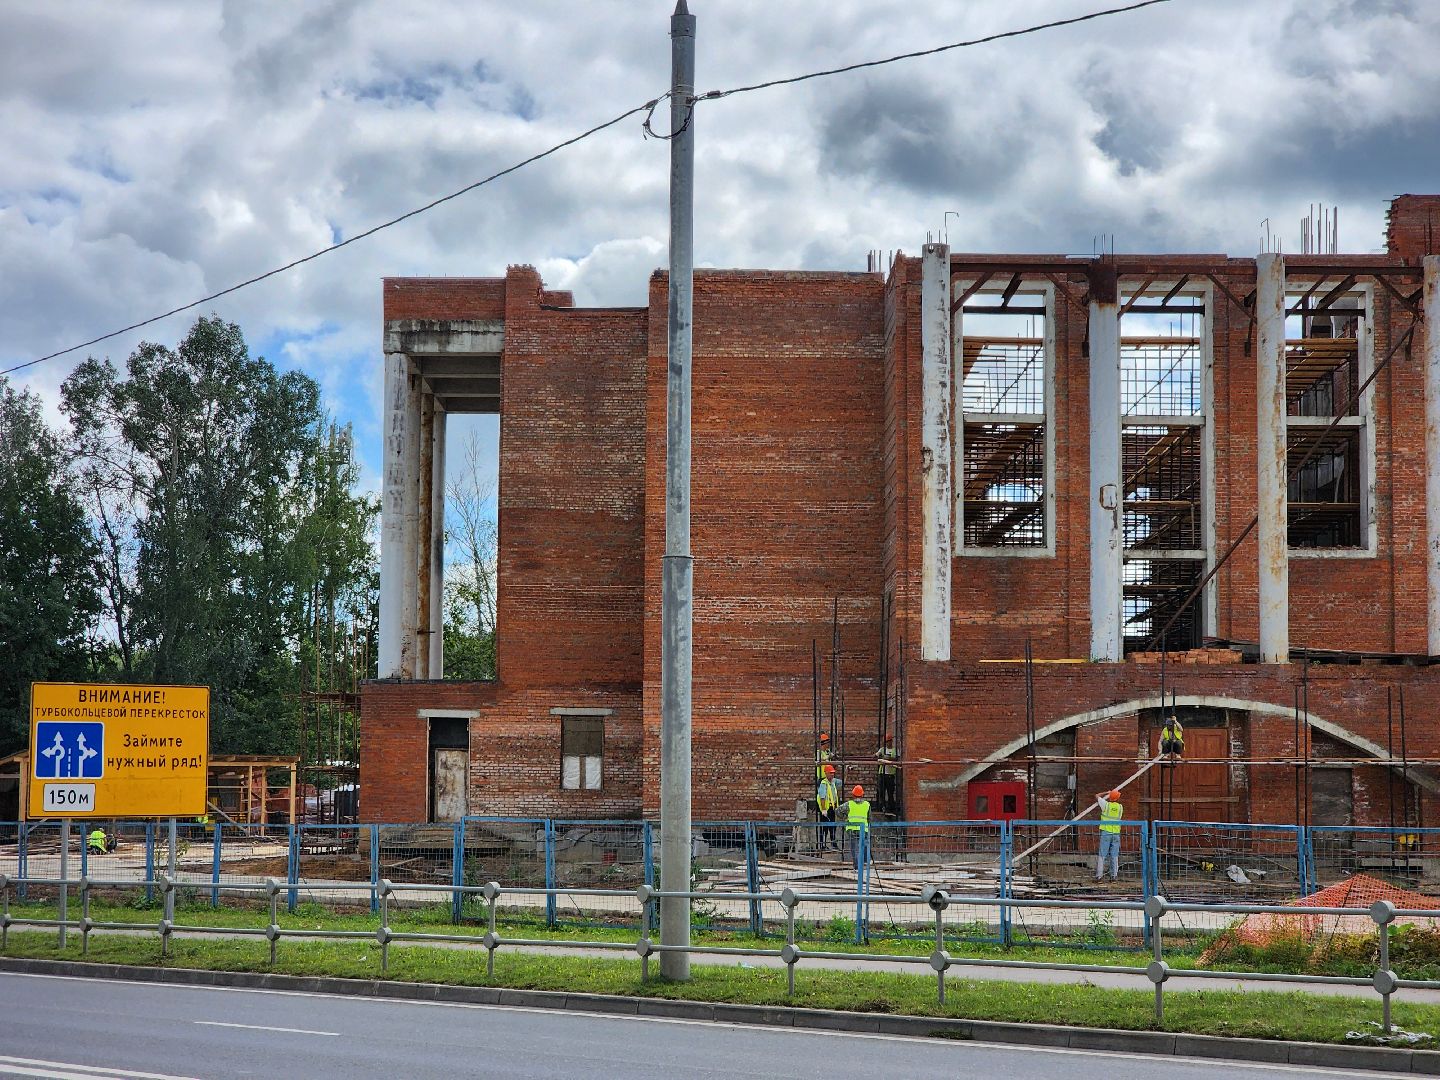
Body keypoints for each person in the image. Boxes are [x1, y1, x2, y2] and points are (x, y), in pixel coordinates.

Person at [1095, 789, 1123, 881]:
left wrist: (1106, 792)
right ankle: (1114, 876)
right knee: (1114, 855)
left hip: (1106, 832)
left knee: (1102, 854)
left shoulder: (1105, 805)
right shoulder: (1120, 807)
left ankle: (1099, 876)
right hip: (1116, 833)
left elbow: (1097, 795)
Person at [845, 784, 871, 874]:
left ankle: (856, 868)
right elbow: (869, 818)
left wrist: (845, 818)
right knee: (864, 846)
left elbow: (838, 811)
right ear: (862, 795)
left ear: (853, 795)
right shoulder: (867, 804)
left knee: (855, 849)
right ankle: (866, 864)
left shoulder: (849, 804)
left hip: (852, 829)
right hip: (864, 829)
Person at [816, 764, 840, 849]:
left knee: (833, 827)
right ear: (826, 773)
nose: (832, 774)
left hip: (832, 809)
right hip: (826, 809)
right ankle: (822, 845)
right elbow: (822, 797)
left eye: (833, 773)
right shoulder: (823, 784)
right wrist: (823, 809)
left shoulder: (833, 782)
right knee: (824, 828)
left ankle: (833, 844)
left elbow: (842, 782)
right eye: (830, 773)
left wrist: (847, 771)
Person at [875, 734, 899, 814]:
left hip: (890, 775)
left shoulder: (895, 750)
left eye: (889, 741)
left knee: (890, 793)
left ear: (891, 741)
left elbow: (896, 759)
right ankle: (882, 807)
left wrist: (888, 758)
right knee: (881, 792)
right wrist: (880, 757)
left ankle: (890, 809)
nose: (888, 743)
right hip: (882, 774)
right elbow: (875, 756)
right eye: (886, 742)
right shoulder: (882, 749)